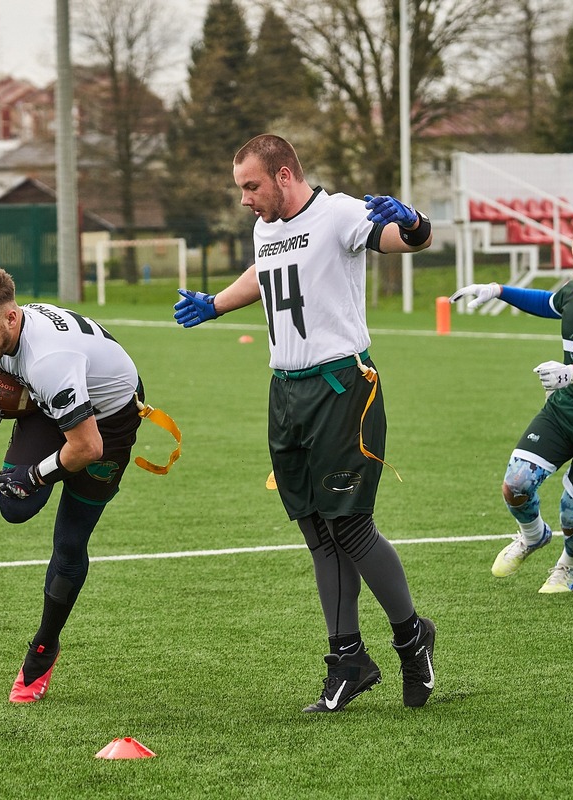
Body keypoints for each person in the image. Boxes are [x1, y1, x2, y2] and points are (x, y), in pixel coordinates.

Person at [172, 133, 437, 712]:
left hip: (341, 388)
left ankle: (412, 635)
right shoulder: (266, 226)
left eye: (252, 185)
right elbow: (266, 271)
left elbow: (403, 240)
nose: (245, 198)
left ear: (285, 175)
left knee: (351, 527)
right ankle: (348, 660)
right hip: (285, 392)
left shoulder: (338, 213)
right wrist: (214, 303)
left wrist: (413, 221)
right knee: (317, 529)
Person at [0, 268, 145, 703]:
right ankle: (42, 441)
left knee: (70, 543)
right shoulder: (13, 331)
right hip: (57, 399)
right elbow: (1, 379)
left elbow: (88, 447)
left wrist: (35, 474)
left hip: (108, 425)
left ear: (12, 318)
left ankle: (42, 649)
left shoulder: (49, 360)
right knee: (15, 508)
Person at [451, 209, 573, 593]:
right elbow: (550, 303)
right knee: (517, 483)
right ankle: (532, 535)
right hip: (566, 408)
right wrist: (499, 291)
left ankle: (571, 565)